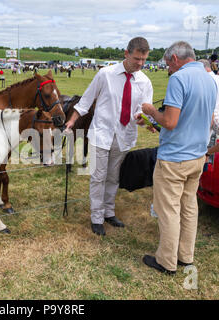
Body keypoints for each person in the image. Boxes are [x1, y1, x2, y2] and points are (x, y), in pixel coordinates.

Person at [140, 41, 217, 274]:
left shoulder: (179, 79)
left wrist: (152, 111)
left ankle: (166, 261)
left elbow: (170, 122)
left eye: (168, 65)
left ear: (175, 58)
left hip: (175, 158)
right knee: (189, 208)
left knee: (169, 210)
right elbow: (211, 121)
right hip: (198, 155)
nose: (169, 70)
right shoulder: (209, 79)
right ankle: (185, 256)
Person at [65, 37, 153, 236]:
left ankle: (108, 212)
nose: (140, 64)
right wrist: (72, 121)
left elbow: (144, 110)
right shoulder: (105, 74)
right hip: (101, 135)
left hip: (125, 136)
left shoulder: (145, 82)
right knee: (98, 177)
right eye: (137, 59)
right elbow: (85, 101)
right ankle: (96, 217)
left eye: (143, 60)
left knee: (113, 177)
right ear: (126, 53)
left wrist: (144, 120)